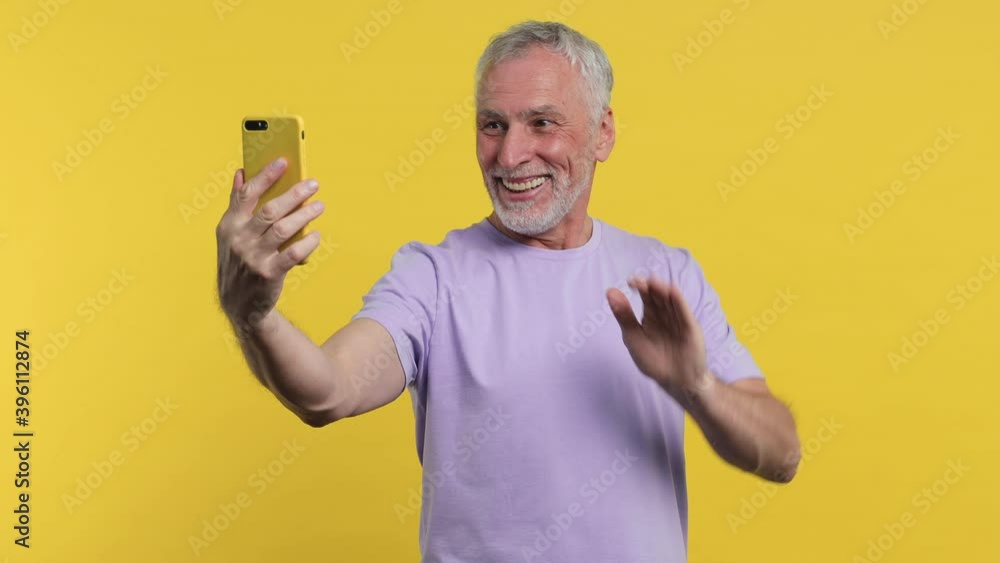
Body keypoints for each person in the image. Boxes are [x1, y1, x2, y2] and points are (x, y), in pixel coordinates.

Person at [215, 20, 800, 563]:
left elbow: (782, 456)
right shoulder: (434, 276)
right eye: (493, 124)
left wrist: (695, 386)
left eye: (542, 123)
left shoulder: (666, 274)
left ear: (602, 134)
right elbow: (328, 391)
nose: (510, 154)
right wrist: (254, 314)